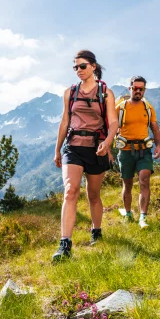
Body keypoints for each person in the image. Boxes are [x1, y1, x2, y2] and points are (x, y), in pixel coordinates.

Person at [52, 50, 119, 261]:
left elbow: (114, 121)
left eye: (82, 66)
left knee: (93, 195)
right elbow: (64, 122)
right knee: (70, 191)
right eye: (75, 67)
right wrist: (57, 149)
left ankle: (96, 230)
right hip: (73, 147)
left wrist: (108, 143)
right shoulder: (70, 93)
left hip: (97, 147)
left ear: (93, 66)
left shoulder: (105, 93)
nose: (78, 71)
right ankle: (65, 244)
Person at [115, 76, 160, 228]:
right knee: (127, 184)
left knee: (144, 180)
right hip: (125, 151)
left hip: (144, 150)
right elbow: (111, 128)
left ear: (144, 90)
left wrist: (158, 145)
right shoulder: (120, 108)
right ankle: (128, 214)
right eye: (135, 88)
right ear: (130, 89)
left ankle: (143, 217)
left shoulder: (148, 108)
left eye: (141, 89)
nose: (138, 91)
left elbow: (154, 127)